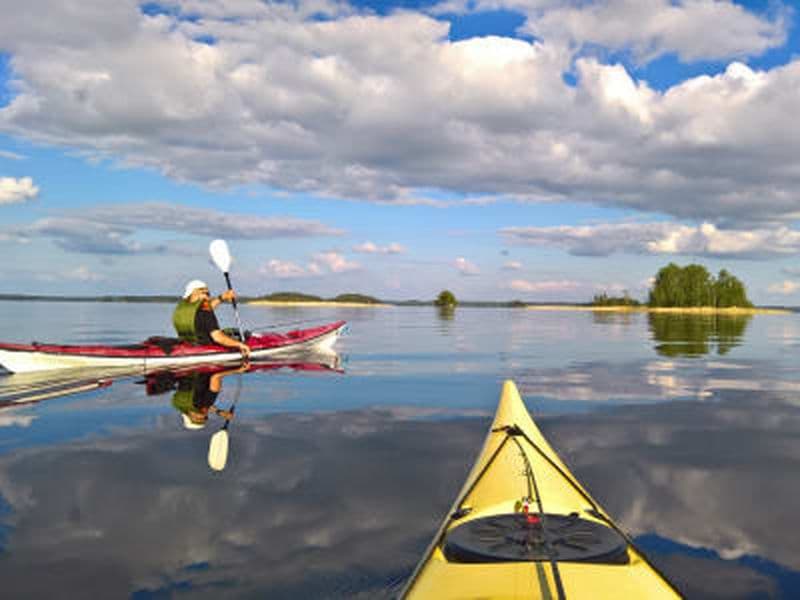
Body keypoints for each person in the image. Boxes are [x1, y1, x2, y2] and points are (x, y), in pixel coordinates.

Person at [172, 279, 251, 358]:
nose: (208, 297)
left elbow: (203, 312)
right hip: (204, 348)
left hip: (187, 345)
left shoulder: (182, 309)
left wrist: (221, 298)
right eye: (205, 293)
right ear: (195, 293)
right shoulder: (206, 313)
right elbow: (217, 337)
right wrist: (239, 345)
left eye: (208, 294)